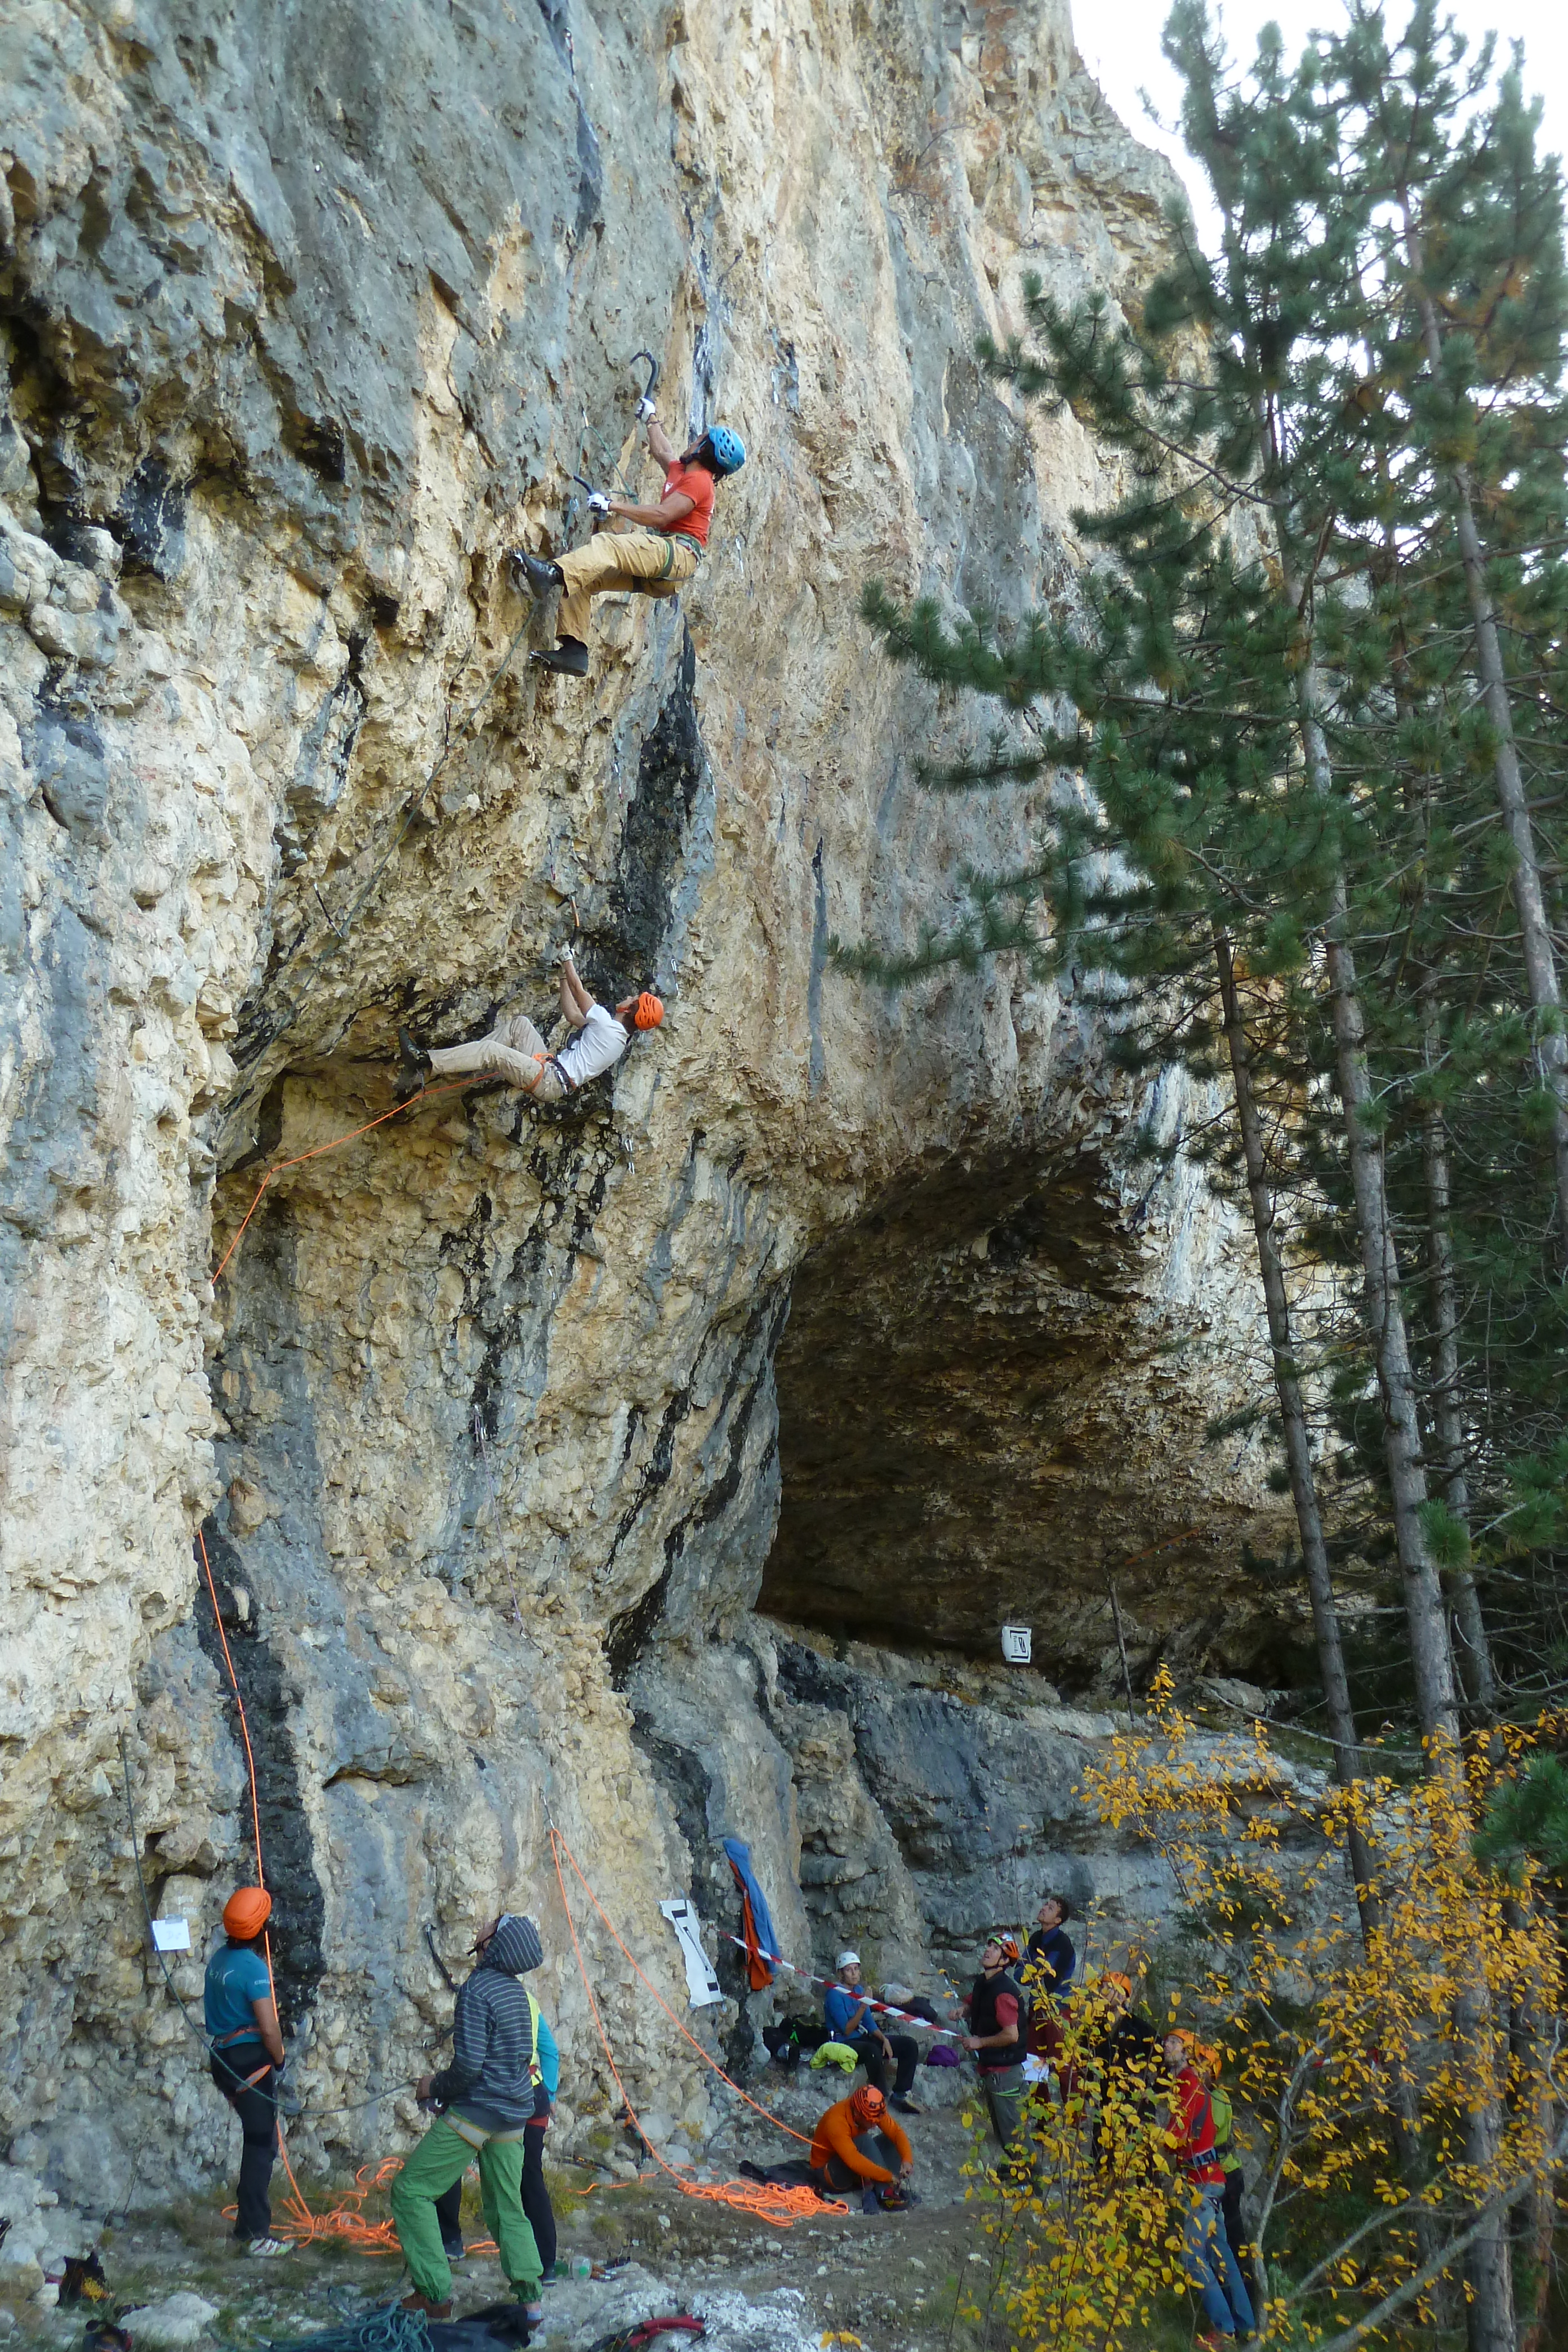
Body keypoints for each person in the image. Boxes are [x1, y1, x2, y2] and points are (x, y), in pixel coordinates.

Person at [390, 1913, 547, 2322]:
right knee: (507, 2207)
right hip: (513, 2116)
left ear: (494, 1943)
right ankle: (531, 2301)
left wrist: (433, 2087)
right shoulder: (517, 1993)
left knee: (411, 2190)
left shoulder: (477, 1989)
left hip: (478, 2112)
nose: (483, 1925)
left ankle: (434, 2295)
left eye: (491, 1924)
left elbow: (468, 2068)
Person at [512, 401, 746, 675]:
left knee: (610, 546)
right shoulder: (684, 472)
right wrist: (651, 417)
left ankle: (550, 574)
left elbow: (662, 516)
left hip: (678, 554)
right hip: (670, 571)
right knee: (587, 578)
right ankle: (574, 652)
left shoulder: (700, 482)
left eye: (700, 438)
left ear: (704, 448)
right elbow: (662, 451)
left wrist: (611, 505)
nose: (694, 440)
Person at [398, 948, 661, 1107]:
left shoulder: (605, 1024)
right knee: (520, 1026)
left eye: (633, 999)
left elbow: (579, 991)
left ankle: (425, 1061)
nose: (628, 997)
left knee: (492, 1051)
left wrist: (567, 958)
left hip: (549, 1079)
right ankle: (462, 1060)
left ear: (630, 1009)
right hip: (549, 1072)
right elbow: (572, 1014)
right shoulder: (615, 1038)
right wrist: (562, 975)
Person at [435, 1996, 560, 2286]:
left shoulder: (480, 1995)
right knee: (530, 2178)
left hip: (489, 2095)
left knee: (450, 2159)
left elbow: (471, 2060)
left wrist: (445, 2089)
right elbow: (549, 2050)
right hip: (532, 2094)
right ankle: (546, 2263)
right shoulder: (529, 2000)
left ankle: (450, 2241)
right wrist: (551, 2093)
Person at [204, 1885, 288, 2257]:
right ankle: (255, 2234)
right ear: (261, 1928)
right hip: (249, 2062)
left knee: (256, 2140)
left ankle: (246, 2227)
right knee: (261, 2144)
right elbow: (269, 2028)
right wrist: (279, 2058)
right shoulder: (253, 1968)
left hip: (224, 2058)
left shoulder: (219, 1959)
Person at [1161, 2029, 1255, 2346]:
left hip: (1201, 2183)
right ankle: (1245, 2324)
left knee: (1192, 2256)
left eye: (1174, 2043)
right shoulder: (1201, 2088)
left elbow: (1175, 2136)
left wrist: (1152, 2143)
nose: (1166, 2046)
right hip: (1212, 2181)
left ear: (1188, 2052)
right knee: (1222, 2254)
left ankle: (1225, 2329)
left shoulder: (1187, 2083)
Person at [955, 1935, 1028, 2156]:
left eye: (996, 1949)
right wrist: (964, 2010)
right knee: (1001, 2128)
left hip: (1004, 2070)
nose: (988, 1950)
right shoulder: (985, 1982)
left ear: (1005, 1961)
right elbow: (977, 2000)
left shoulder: (1003, 1992)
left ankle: (1031, 2171)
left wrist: (979, 2042)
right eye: (989, 1946)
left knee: (1012, 2129)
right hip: (993, 2067)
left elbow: (1011, 2035)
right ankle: (1014, 2166)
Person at [823, 1953, 921, 2114]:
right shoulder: (835, 1994)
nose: (854, 1974)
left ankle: (900, 2094)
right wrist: (863, 2005)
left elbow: (868, 2022)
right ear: (841, 1974)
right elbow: (846, 2029)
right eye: (849, 1970)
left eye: (856, 1969)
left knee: (909, 2045)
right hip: (843, 2041)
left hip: (861, 2037)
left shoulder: (859, 1990)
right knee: (872, 2051)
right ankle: (881, 2097)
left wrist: (884, 2039)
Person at [1192, 2042, 1248, 2271]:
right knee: (1221, 2239)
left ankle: (1243, 2283)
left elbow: (1207, 2132)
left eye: (1201, 2065)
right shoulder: (1207, 2096)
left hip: (1225, 2173)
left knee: (1233, 2240)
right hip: (1219, 2173)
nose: (1196, 2069)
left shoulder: (1216, 2097)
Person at [1021, 1894, 1077, 2093]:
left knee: (1063, 2065)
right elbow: (1020, 1973)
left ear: (1058, 1920)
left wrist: (1032, 1972)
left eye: (1051, 1908)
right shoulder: (1036, 1938)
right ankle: (1042, 2112)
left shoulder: (1063, 1945)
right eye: (1046, 1904)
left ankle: (1075, 2111)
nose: (1044, 1908)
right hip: (1037, 2009)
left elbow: (1048, 1977)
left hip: (1057, 2011)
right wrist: (1033, 1972)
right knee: (1033, 2064)